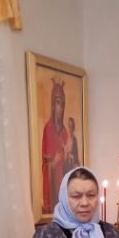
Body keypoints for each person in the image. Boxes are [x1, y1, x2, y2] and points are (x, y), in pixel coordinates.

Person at [41, 79, 69, 213]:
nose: (60, 107)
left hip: (63, 180)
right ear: (53, 105)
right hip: (53, 184)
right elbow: (45, 164)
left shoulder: (64, 131)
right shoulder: (48, 129)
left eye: (62, 104)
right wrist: (53, 163)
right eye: (58, 103)